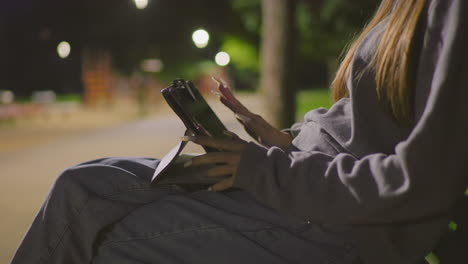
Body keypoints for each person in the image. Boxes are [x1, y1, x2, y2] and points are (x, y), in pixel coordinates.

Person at [11, 0, 468, 263]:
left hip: (335, 223)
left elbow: (421, 182)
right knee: (80, 186)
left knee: (106, 246)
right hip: (296, 184)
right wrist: (282, 139)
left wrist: (264, 169)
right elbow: (369, 130)